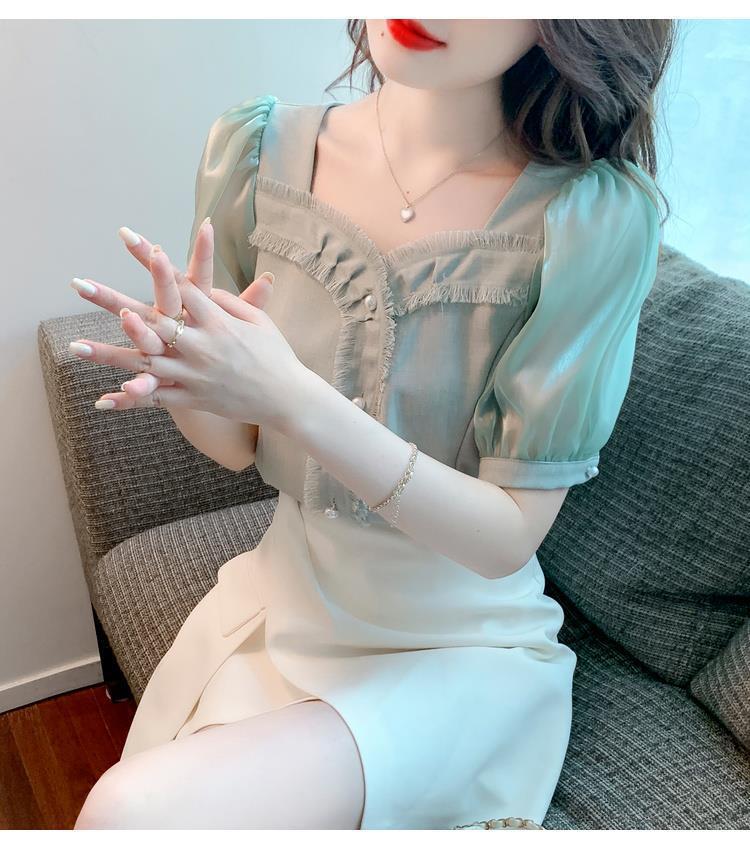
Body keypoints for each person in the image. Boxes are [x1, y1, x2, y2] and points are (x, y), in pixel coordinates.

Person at [70, 19, 674, 830]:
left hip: (456, 643)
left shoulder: (590, 221)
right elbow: (237, 445)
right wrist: (182, 374)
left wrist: (293, 396)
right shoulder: (255, 153)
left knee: (127, 812)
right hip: (286, 595)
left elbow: (507, 536)